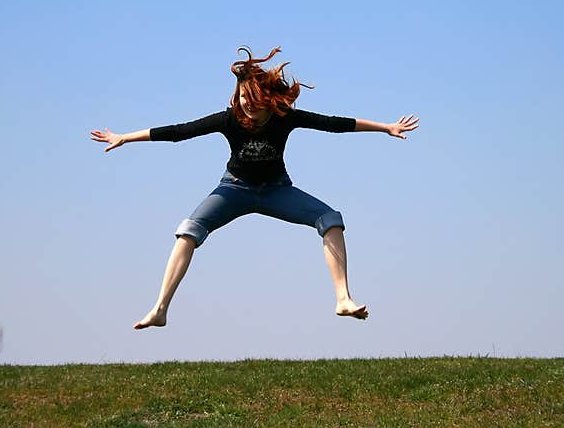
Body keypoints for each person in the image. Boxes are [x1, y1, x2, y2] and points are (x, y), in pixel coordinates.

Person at [90, 46, 419, 330]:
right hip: (234, 190)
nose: (246, 105)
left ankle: (344, 299)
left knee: (331, 219)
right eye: (243, 98)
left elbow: (334, 124)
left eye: (253, 100)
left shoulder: (285, 117)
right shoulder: (228, 118)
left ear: (268, 100)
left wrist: (386, 127)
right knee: (188, 230)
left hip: (277, 191)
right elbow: (179, 131)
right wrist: (125, 137)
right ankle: (160, 309)